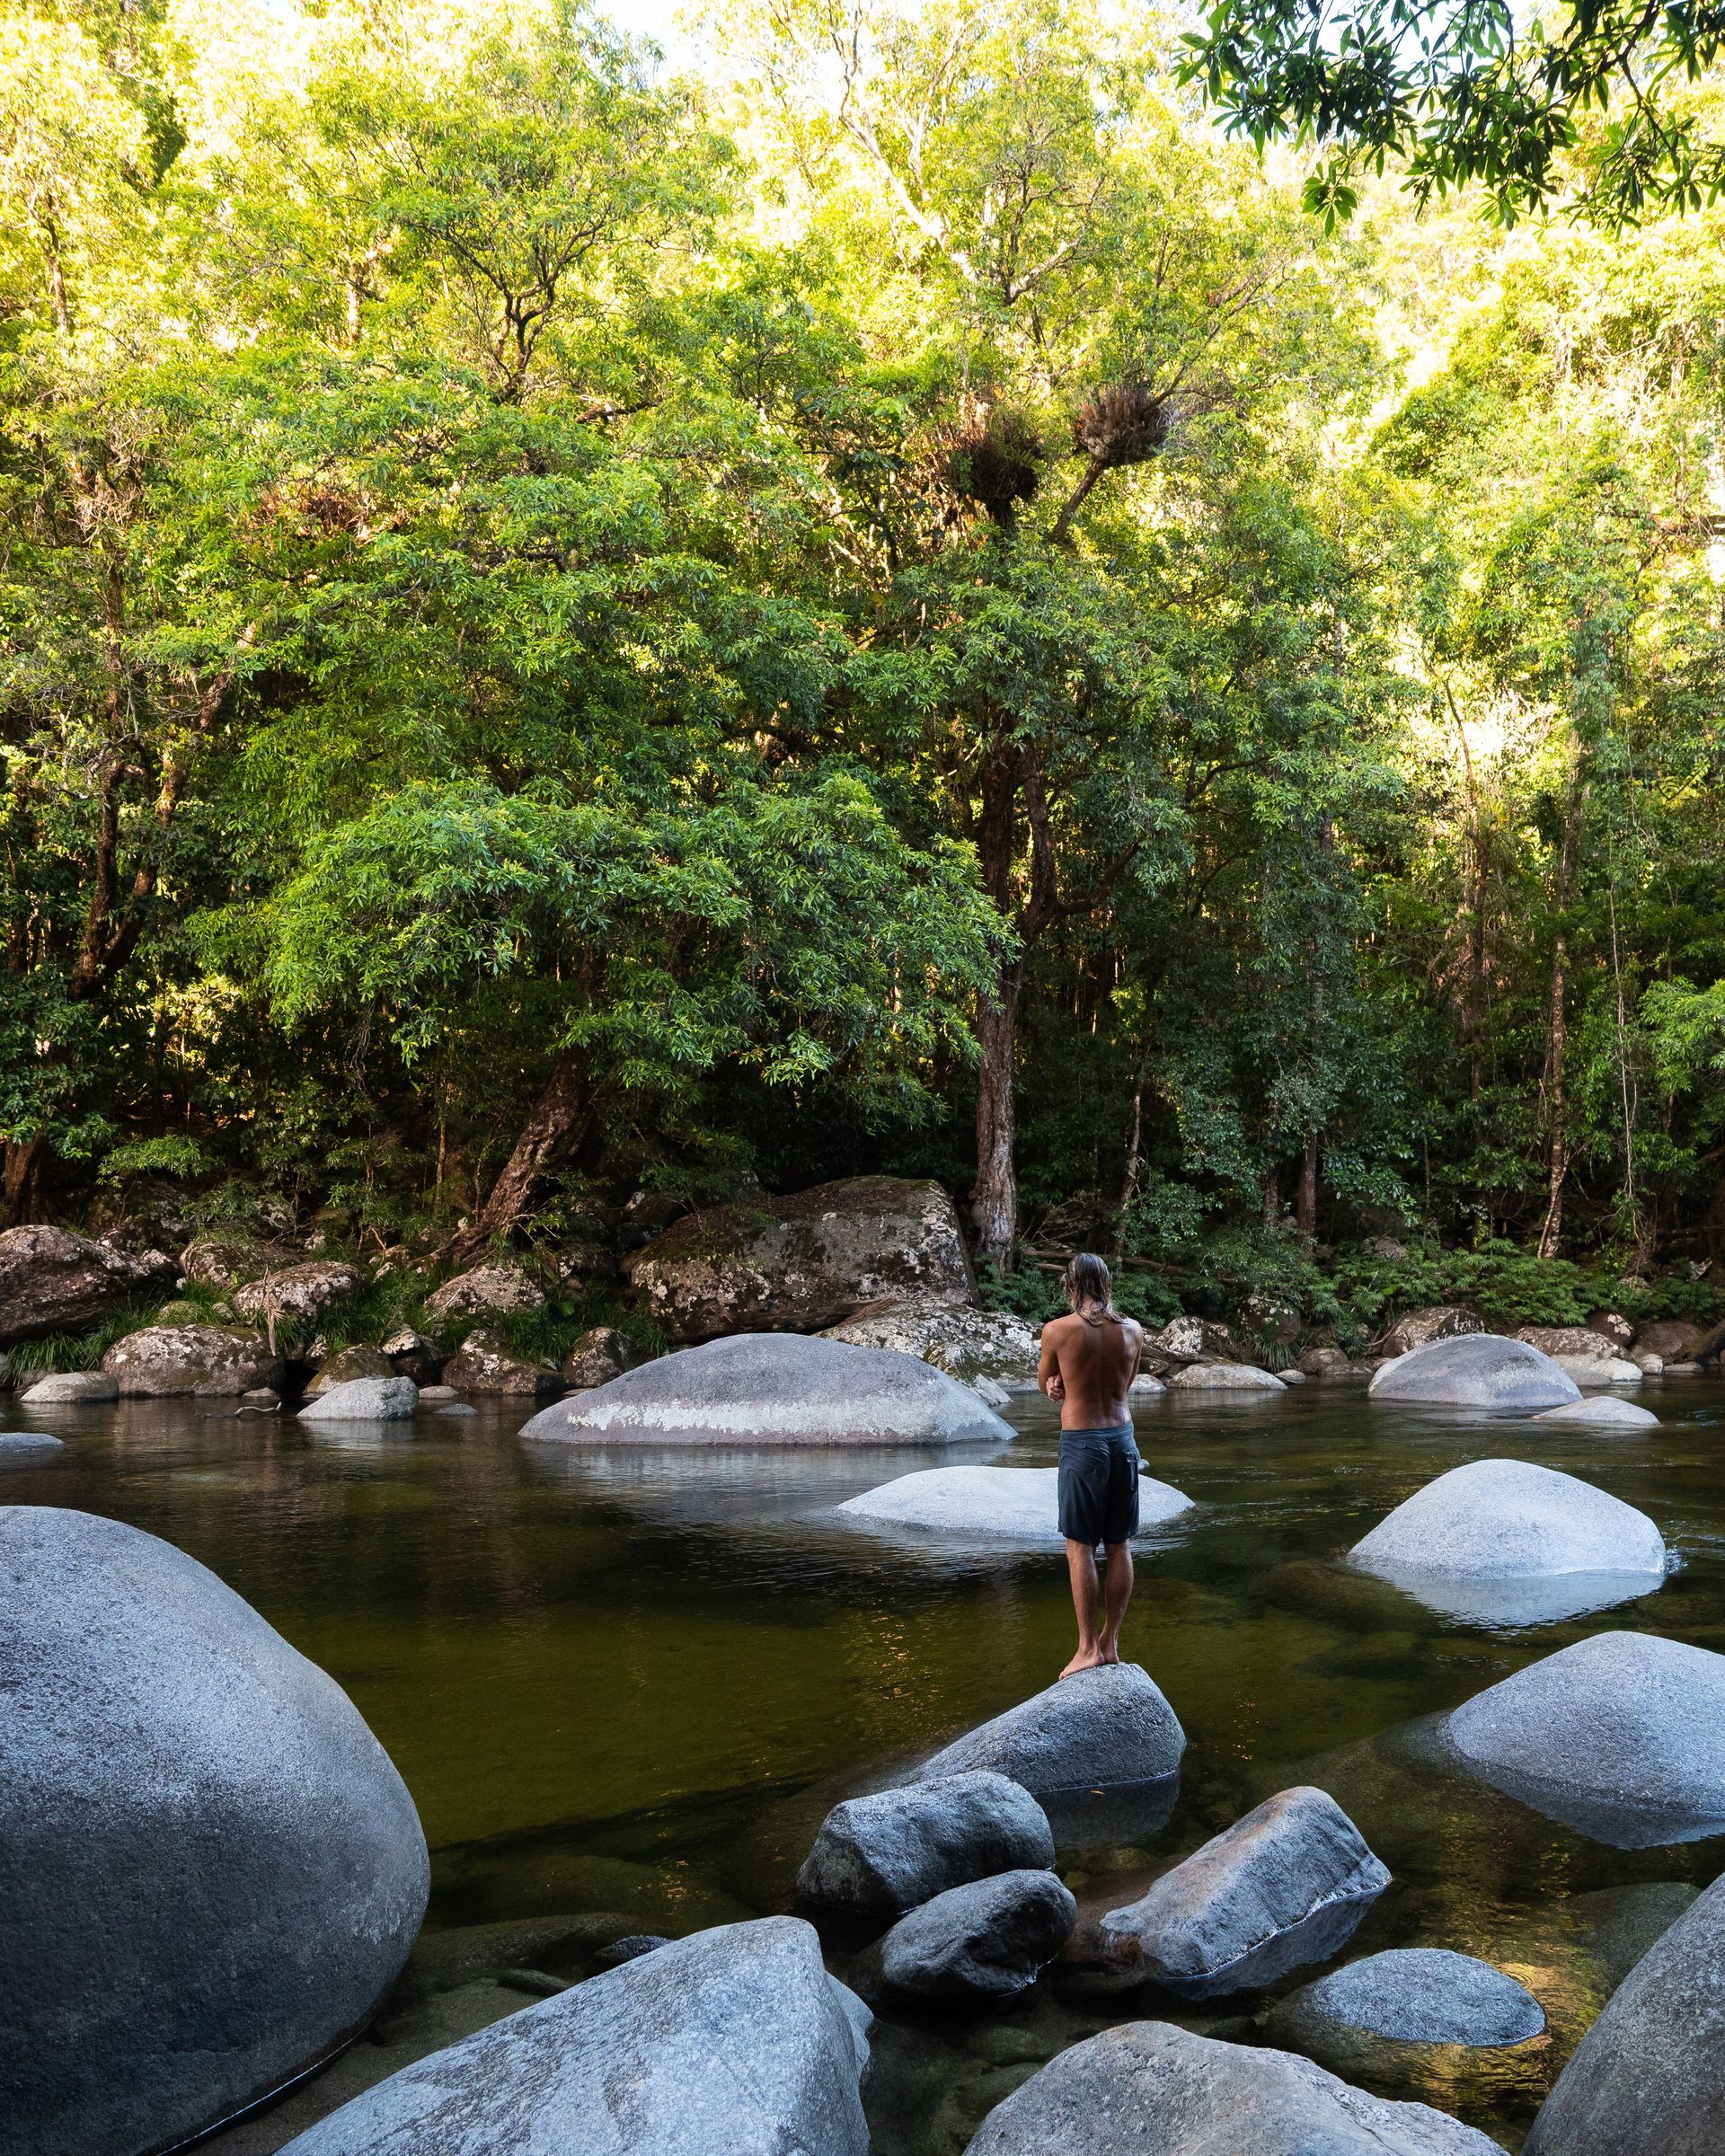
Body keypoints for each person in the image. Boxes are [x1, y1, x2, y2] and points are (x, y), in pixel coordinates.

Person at [1039, 1252, 1145, 1678]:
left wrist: (1054, 1384)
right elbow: (1126, 1384)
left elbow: (1048, 1384)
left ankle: (1086, 1649)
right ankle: (1111, 1643)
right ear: (1106, 1284)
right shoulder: (1134, 1331)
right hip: (1122, 1439)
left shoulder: (1058, 1331)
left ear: (1071, 1285)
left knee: (1080, 1545)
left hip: (1082, 1442)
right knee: (1119, 1543)